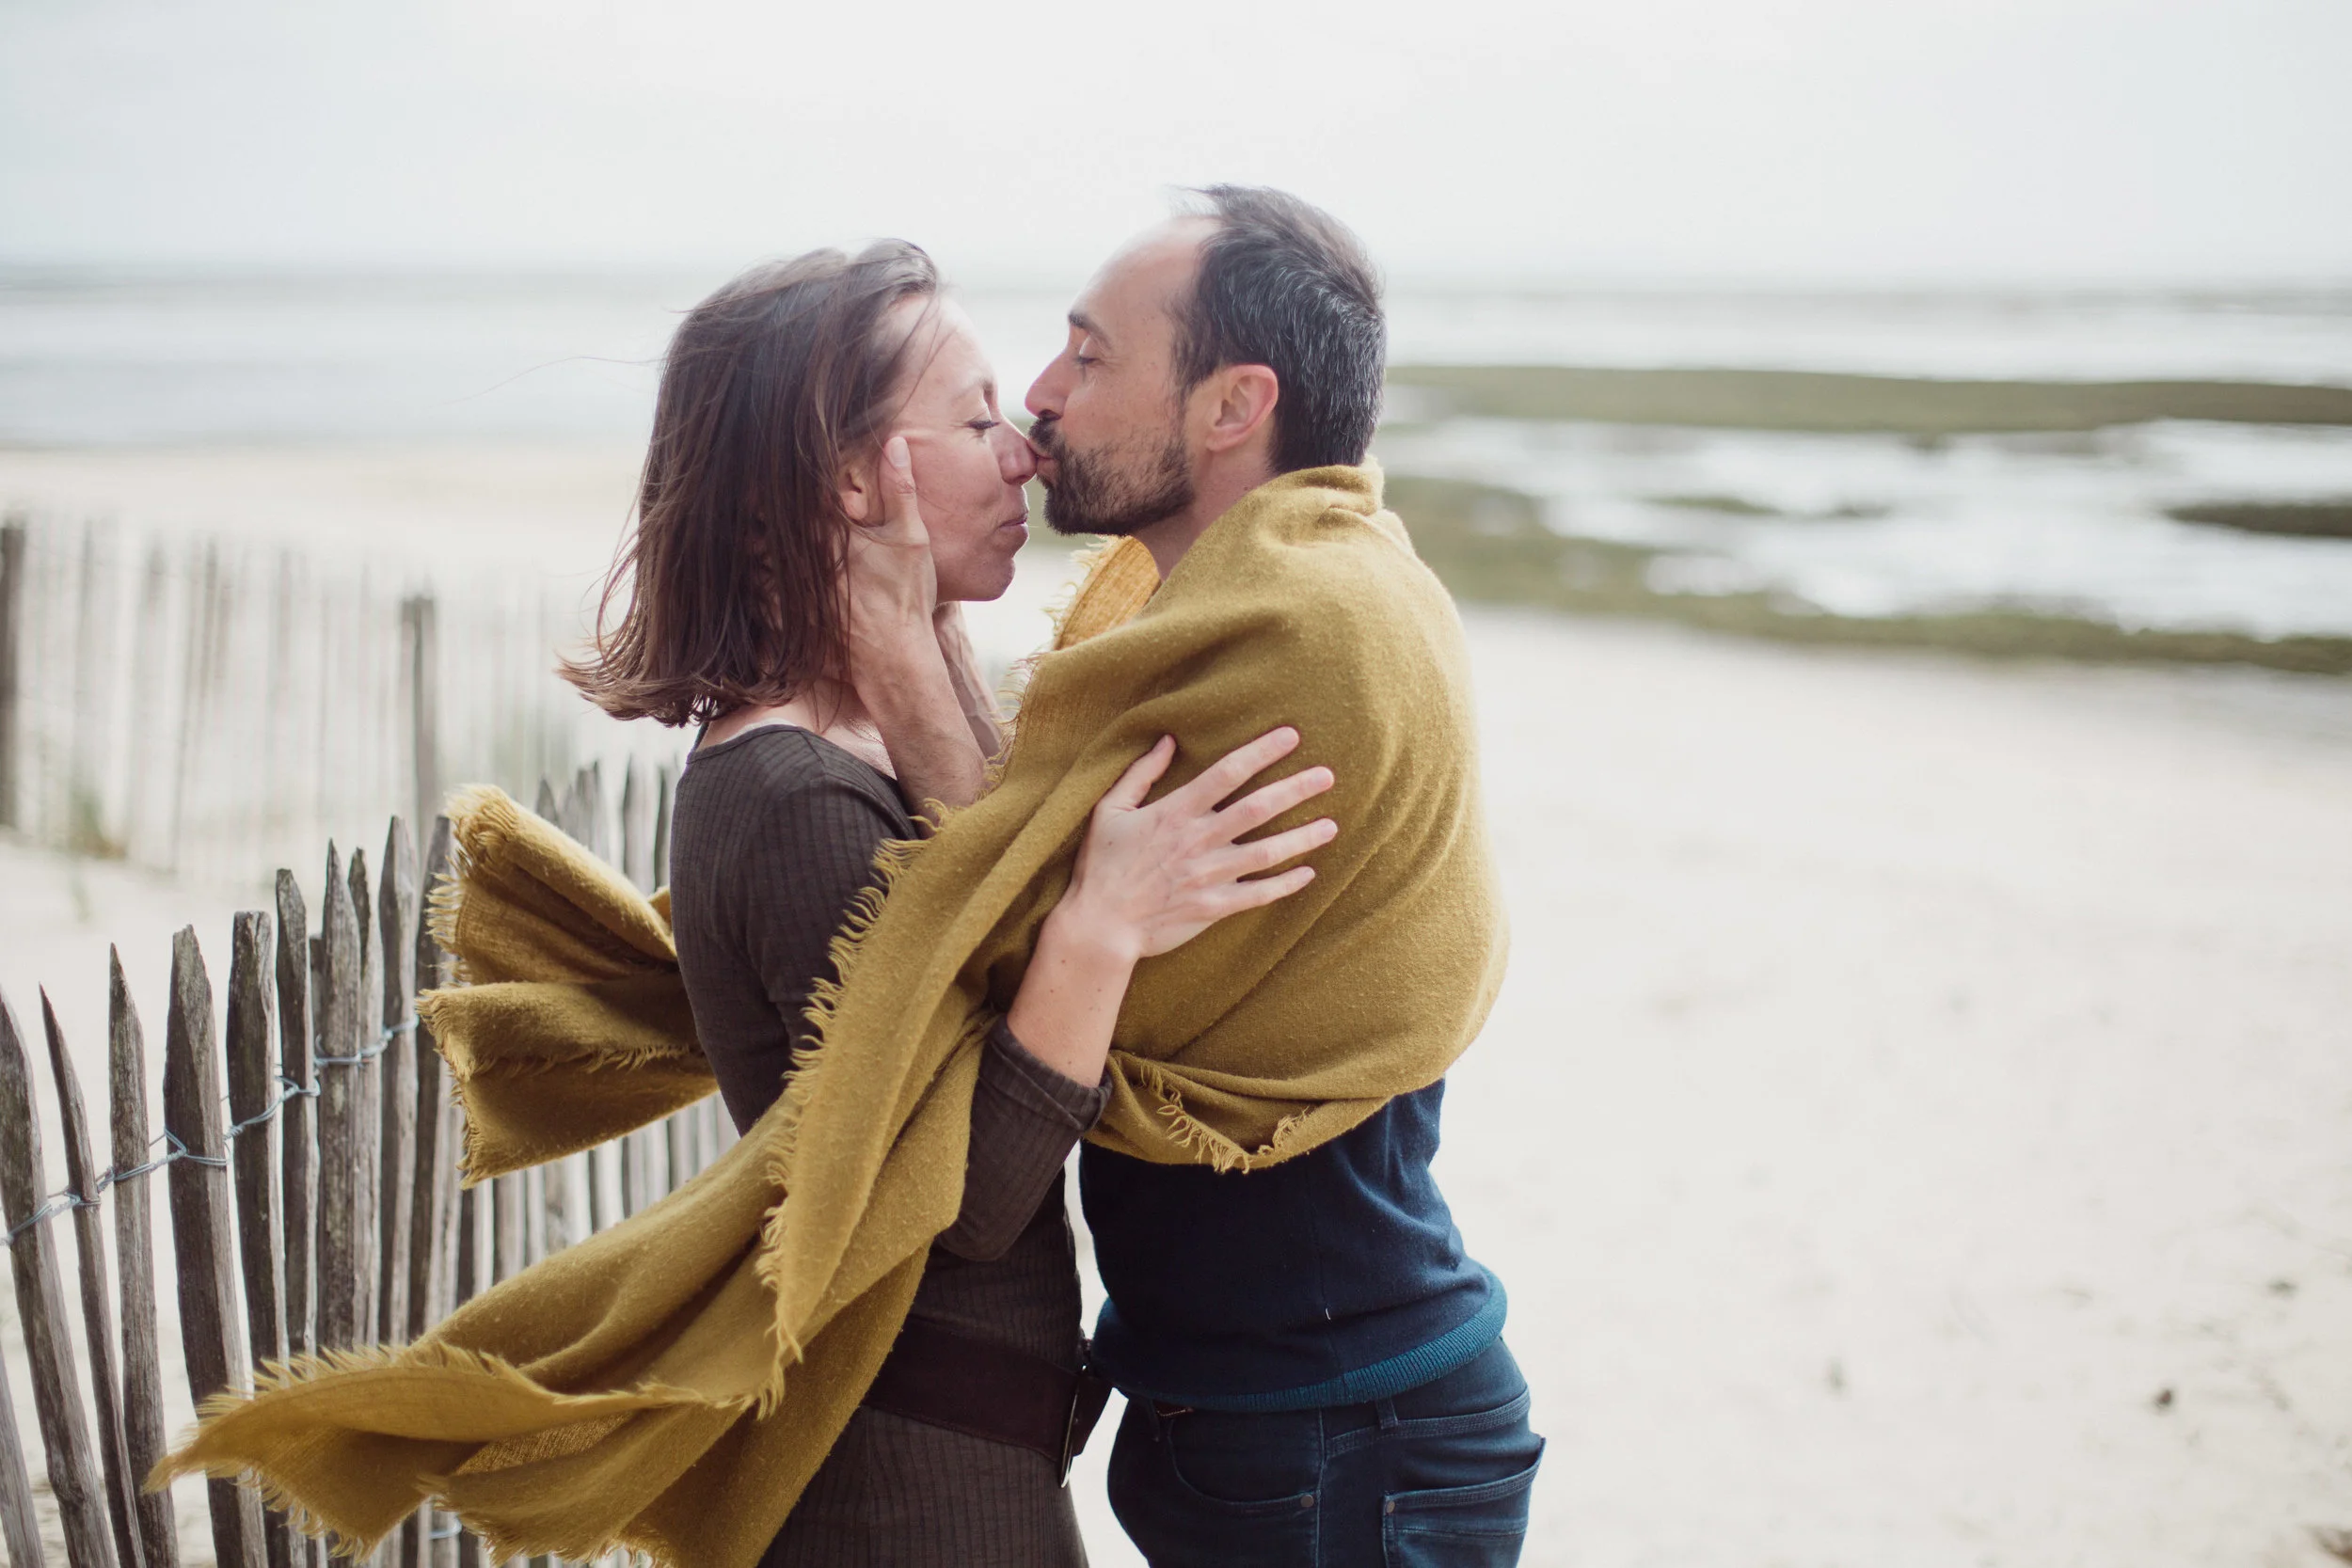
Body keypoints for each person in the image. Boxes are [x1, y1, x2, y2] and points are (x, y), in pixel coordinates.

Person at [563, 244, 1338, 1564]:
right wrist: (1101, 923)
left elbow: (983, 923)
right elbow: (962, 1197)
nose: (1025, 450)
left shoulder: (855, 752)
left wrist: (921, 651)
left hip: (960, 1455)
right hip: (906, 1492)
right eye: (975, 419)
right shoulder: (794, 796)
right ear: (860, 477)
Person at [856, 186, 1542, 1566]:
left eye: (1091, 355)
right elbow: (1050, 861)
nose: (1042, 400)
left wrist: (893, 645)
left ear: (1233, 407)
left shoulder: (1304, 630)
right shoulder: (1230, 607)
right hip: (1274, 1407)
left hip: (1345, 1429)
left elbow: (1016, 955)